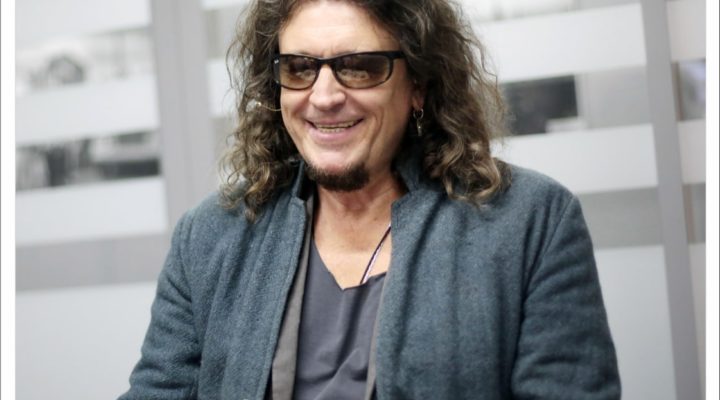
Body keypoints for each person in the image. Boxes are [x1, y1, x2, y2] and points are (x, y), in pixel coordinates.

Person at [120, 0, 620, 398]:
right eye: (299, 68)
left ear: (418, 85)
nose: (324, 96)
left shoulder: (529, 222)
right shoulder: (211, 236)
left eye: (358, 67)